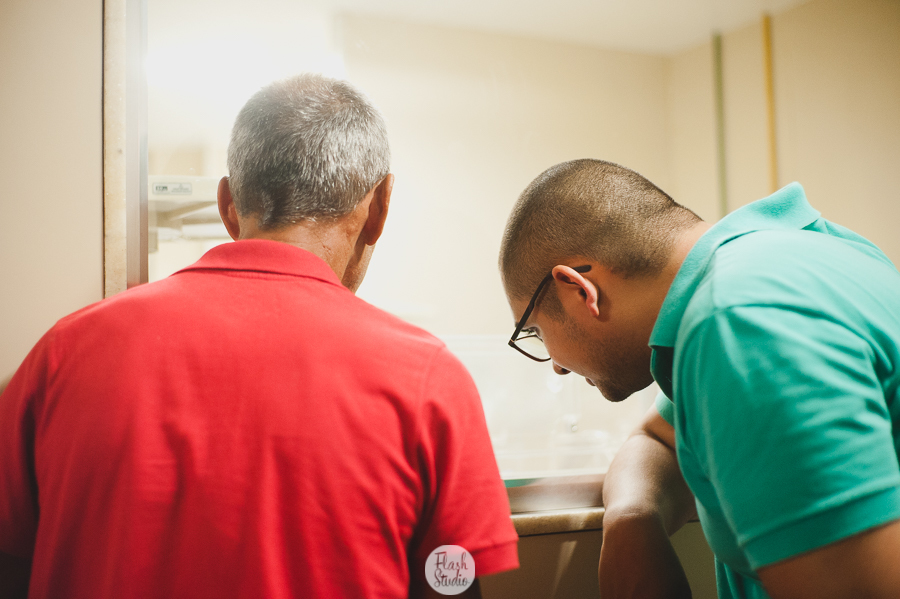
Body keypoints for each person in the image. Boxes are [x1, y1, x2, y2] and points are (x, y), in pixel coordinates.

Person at [0, 74, 518, 599]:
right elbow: (449, 584)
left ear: (227, 203)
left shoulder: (63, 353)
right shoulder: (428, 377)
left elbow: (10, 563)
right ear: (379, 206)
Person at [498, 158, 900, 599]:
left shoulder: (738, 322)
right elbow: (658, 439)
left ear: (578, 290)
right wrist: (634, 519)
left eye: (535, 332)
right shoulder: (804, 254)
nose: (555, 364)